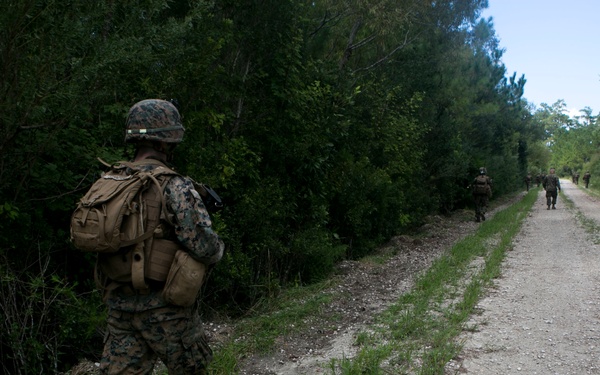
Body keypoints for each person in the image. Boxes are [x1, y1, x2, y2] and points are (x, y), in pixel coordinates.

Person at [97, 99, 224, 374]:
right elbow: (203, 246)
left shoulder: (113, 180)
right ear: (167, 142)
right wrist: (218, 250)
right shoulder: (173, 185)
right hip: (165, 310)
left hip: (119, 308)